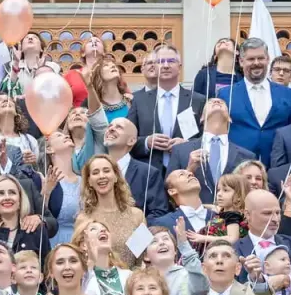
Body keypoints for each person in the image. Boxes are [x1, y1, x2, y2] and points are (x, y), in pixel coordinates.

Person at [128, 45, 204, 175]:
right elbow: (127, 138)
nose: (166, 66)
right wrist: (146, 142)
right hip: (149, 174)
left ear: (179, 67)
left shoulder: (197, 100)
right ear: (154, 67)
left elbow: (207, 138)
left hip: (187, 171)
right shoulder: (139, 100)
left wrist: (187, 145)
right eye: (160, 61)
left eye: (171, 61)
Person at [225, 38, 291, 163]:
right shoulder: (225, 94)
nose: (256, 63)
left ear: (268, 59)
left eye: (260, 58)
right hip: (238, 165)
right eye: (251, 59)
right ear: (241, 61)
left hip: (277, 164)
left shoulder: (288, 94)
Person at [173, 97, 255, 202]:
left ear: (230, 118)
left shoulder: (247, 156)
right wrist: (189, 170)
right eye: (211, 102)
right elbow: (171, 189)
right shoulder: (180, 150)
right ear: (202, 118)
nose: (216, 101)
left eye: (222, 102)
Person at [78, 154, 146, 267]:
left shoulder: (137, 216)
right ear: (89, 181)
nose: (101, 176)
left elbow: (140, 259)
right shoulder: (83, 218)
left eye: (106, 171)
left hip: (131, 276)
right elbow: (81, 259)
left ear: (116, 177)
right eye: (95, 172)